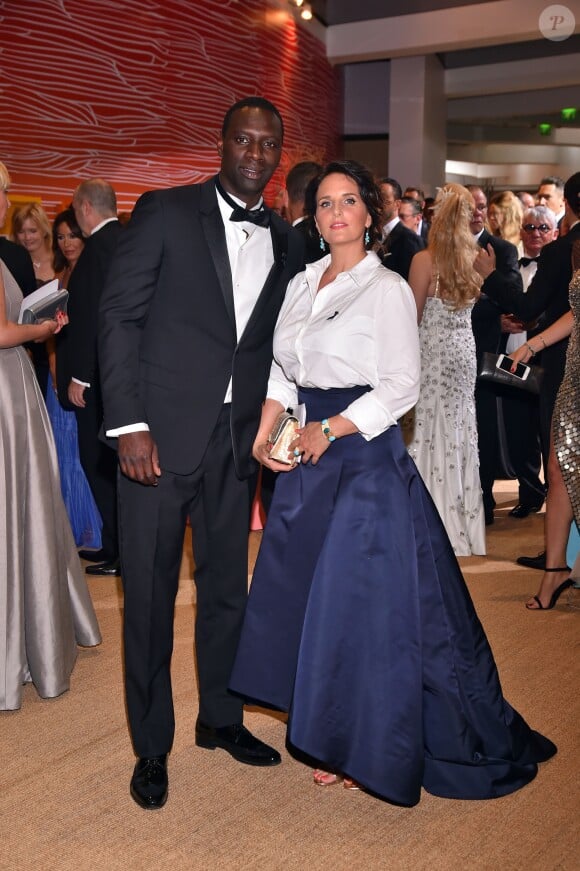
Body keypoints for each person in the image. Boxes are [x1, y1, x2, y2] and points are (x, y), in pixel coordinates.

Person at [230, 160, 556, 806]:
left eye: (349, 200)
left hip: (363, 462)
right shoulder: (299, 284)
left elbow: (401, 385)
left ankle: (365, 742)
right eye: (325, 203)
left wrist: (337, 428)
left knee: (360, 610)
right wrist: (266, 429)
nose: (337, 212)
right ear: (315, 217)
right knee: (309, 601)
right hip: (305, 462)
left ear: (367, 215)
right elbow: (281, 370)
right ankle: (325, 723)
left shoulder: (383, 288)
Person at [98, 97, 305, 810]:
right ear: (221, 143)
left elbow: (281, 346)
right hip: (156, 437)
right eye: (243, 139)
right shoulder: (165, 210)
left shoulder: (284, 236)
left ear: (279, 155)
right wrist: (127, 423)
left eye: (267, 143)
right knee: (150, 599)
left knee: (227, 591)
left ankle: (221, 717)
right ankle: (151, 746)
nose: (254, 151)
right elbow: (119, 316)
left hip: (236, 441)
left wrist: (278, 428)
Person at [0, 168, 101, 710]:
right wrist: (41, 330)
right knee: (18, 502)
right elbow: (1, 332)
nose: (6, 202)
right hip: (5, 386)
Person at [477, 172, 580, 570]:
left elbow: (526, 309)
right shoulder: (565, 250)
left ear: (565, 206)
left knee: (558, 462)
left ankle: (559, 559)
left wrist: (489, 277)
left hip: (564, 368)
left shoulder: (564, 251)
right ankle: (562, 559)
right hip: (553, 357)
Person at [404, 183, 485, 556]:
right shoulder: (477, 260)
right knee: (458, 429)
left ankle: (426, 521)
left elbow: (412, 316)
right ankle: (462, 522)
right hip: (463, 354)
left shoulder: (424, 260)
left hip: (432, 352)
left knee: (426, 428)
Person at [508, 240, 579, 609]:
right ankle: (554, 568)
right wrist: (532, 345)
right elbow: (577, 310)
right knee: (556, 467)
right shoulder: (577, 243)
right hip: (575, 375)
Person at [57, 179, 122, 576]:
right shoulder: (124, 242)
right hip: (113, 380)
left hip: (96, 383)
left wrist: (81, 376)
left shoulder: (99, 250)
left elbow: (98, 321)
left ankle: (117, 552)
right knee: (106, 468)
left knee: (100, 465)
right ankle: (114, 548)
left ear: (84, 208)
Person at [45, 208, 102, 550]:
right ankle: (71, 530)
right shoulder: (60, 276)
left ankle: (93, 532)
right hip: (59, 373)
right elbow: (53, 330)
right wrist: (53, 364)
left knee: (83, 456)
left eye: (73, 235)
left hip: (83, 377)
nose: (67, 243)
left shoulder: (92, 274)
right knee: (63, 454)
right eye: (61, 236)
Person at [467, 185, 523, 526]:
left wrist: (484, 305)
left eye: (482, 206)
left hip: (487, 353)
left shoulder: (501, 249)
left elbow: (512, 297)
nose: (477, 212)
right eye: (470, 207)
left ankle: (485, 499)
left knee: (483, 428)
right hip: (449, 353)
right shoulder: (441, 250)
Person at [497, 206, 558, 519]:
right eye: (530, 227)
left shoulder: (561, 268)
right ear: (521, 231)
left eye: (543, 228)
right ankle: (529, 493)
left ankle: (556, 498)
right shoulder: (510, 266)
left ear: (555, 232)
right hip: (511, 359)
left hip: (547, 358)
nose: (536, 233)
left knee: (547, 432)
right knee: (519, 430)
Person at [11, 202, 55, 396]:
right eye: (21, 231)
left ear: (44, 230)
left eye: (32, 230)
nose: (27, 237)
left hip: (55, 344)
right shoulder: (10, 264)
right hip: (21, 345)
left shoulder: (60, 260)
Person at [377, 177, 424, 280]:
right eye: (376, 199)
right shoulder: (372, 234)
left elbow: (412, 279)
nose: (378, 205)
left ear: (397, 204)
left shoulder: (409, 239)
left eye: (384, 200)